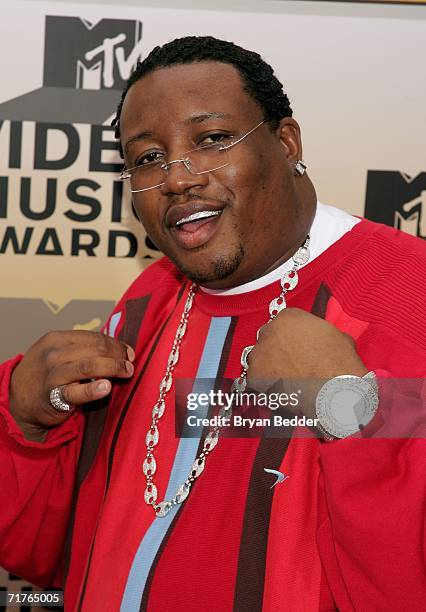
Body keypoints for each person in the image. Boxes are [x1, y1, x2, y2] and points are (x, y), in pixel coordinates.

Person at [0, 36, 425, 612]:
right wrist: (25, 421)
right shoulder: (147, 301)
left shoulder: (408, 292)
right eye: (148, 157)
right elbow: (49, 549)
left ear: (287, 141)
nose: (177, 179)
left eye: (213, 139)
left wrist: (346, 406)